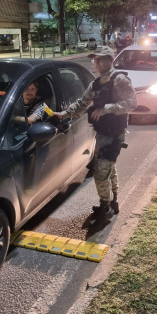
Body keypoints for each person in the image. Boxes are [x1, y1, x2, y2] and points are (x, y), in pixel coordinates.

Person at [53, 46, 137, 225]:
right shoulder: (96, 84)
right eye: (94, 60)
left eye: (100, 59)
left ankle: (104, 207)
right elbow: (82, 103)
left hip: (114, 135)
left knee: (100, 173)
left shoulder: (119, 80)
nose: (96, 63)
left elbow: (132, 103)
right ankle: (113, 200)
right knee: (108, 168)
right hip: (101, 134)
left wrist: (107, 109)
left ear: (111, 60)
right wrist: (64, 114)